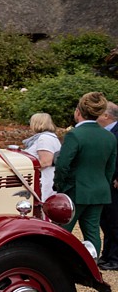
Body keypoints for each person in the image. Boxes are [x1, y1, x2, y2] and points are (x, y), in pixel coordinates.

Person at [52, 92, 118, 259]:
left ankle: (59, 264)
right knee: (93, 231)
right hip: (99, 190)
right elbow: (110, 168)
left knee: (62, 230)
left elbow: (62, 164)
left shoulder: (75, 134)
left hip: (75, 189)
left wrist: (59, 186)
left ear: (78, 111)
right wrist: (103, 183)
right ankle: (92, 265)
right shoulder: (109, 136)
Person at [21, 113, 61, 201]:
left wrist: (24, 168)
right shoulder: (50, 137)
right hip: (48, 179)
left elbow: (46, 161)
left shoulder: (44, 138)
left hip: (44, 181)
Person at [99, 102, 118, 270]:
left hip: (115, 182)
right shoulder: (103, 132)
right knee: (105, 220)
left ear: (106, 116)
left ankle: (115, 258)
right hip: (105, 182)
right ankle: (107, 255)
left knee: (115, 220)